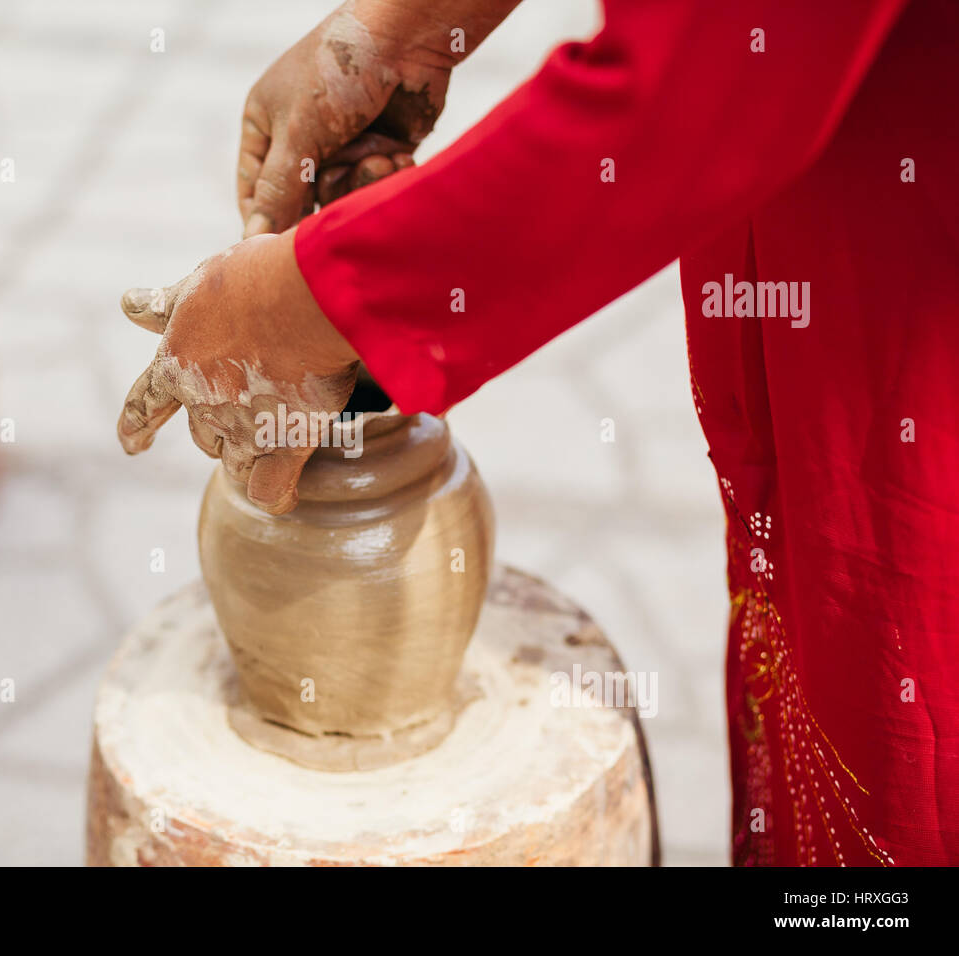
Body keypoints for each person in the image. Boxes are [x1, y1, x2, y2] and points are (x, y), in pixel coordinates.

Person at [117, 0, 958, 866]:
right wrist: (412, 24)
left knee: (907, 721)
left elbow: (702, 86)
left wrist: (318, 302)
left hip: (914, 274)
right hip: (825, 212)